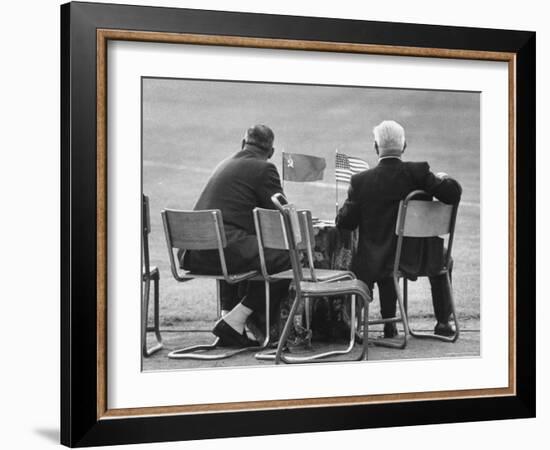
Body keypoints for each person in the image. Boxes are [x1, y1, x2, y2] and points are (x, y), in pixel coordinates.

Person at [336, 120, 462, 338]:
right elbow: (453, 194)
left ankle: (386, 323)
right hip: (420, 257)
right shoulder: (419, 173)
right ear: (404, 147)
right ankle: (443, 322)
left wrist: (345, 207)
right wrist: (444, 178)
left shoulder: (361, 181)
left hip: (378, 260)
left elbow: (346, 223)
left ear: (376, 147)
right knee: (443, 258)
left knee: (379, 257)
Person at [181, 125, 290, 347]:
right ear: (271, 152)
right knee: (287, 258)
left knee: (236, 247)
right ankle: (235, 319)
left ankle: (227, 317)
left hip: (193, 252)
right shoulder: (265, 168)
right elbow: (279, 217)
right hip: (221, 250)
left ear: (243, 144)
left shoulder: (225, 163)